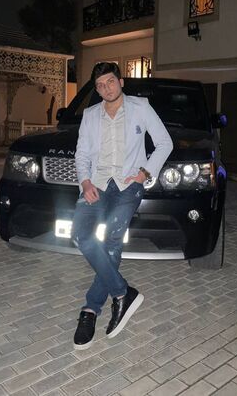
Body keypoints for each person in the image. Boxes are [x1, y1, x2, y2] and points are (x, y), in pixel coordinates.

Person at [71, 62, 173, 350]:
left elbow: (164, 143)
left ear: (121, 81)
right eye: (100, 85)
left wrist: (144, 173)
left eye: (110, 82)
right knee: (80, 235)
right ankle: (122, 293)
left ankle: (90, 309)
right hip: (97, 184)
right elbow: (81, 154)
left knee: (112, 240)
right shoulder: (90, 115)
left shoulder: (141, 108)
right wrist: (85, 183)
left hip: (128, 185)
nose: (106, 89)